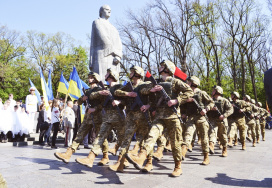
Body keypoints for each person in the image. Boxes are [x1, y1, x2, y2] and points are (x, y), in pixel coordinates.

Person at [126, 60, 194, 177]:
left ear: (167, 69)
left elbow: (189, 91)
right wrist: (151, 90)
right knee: (151, 136)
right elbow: (142, 90)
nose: (160, 67)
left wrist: (177, 100)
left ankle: (178, 166)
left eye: (162, 66)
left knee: (175, 143)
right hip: (158, 116)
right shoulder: (155, 82)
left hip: (172, 117)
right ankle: (143, 158)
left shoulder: (176, 82)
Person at [75, 68, 127, 168]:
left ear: (112, 75)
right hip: (107, 117)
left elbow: (127, 101)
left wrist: (119, 102)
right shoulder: (105, 89)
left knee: (122, 139)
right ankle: (91, 158)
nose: (106, 74)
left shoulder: (120, 87)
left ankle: (122, 160)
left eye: (108, 73)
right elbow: (101, 103)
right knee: (100, 137)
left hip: (118, 117)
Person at [54, 72, 108, 164]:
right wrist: (82, 99)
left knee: (101, 137)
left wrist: (95, 108)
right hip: (88, 117)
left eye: (91, 77)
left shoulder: (100, 90)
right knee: (80, 134)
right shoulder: (87, 91)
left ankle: (105, 156)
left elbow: (103, 104)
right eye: (89, 77)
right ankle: (68, 153)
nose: (89, 79)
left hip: (97, 117)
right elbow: (78, 102)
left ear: (95, 79)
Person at [181, 76, 214, 165]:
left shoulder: (201, 93)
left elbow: (211, 102)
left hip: (201, 118)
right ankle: (183, 150)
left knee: (204, 138)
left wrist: (206, 109)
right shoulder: (186, 93)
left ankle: (206, 157)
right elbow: (182, 106)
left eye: (188, 82)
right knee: (188, 134)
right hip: (191, 117)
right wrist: (183, 113)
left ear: (193, 83)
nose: (186, 83)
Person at [89, 5, 122, 81]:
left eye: (110, 10)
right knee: (101, 80)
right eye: (106, 9)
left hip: (114, 56)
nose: (109, 11)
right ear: (101, 12)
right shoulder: (97, 22)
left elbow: (118, 42)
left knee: (113, 81)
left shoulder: (113, 27)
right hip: (102, 54)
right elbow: (103, 37)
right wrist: (115, 52)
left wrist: (118, 55)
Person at [207, 86, 233, 157]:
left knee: (223, 136)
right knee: (212, 132)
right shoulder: (210, 100)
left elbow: (231, 109)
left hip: (222, 120)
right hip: (212, 119)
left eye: (214, 90)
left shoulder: (224, 100)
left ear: (217, 91)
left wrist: (224, 115)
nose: (212, 91)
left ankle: (224, 149)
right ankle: (211, 145)